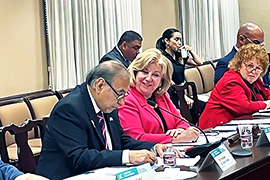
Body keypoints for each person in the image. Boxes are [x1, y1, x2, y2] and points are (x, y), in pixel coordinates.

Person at [35, 60, 169, 180]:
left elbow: (120, 140)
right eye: (120, 94)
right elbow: (79, 157)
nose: (122, 102)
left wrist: (152, 147)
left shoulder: (107, 104)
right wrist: (127, 156)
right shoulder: (69, 108)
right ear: (100, 85)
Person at [118, 48, 200, 144]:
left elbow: (182, 122)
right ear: (135, 73)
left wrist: (180, 130)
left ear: (161, 81)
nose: (148, 78)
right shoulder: (126, 99)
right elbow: (136, 138)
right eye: (144, 72)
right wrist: (173, 139)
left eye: (155, 75)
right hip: (146, 155)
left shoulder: (161, 95)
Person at [199, 44, 270, 130]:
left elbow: (265, 93)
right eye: (249, 66)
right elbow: (244, 107)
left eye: (258, 68)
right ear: (239, 65)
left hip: (238, 126)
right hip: (215, 130)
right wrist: (266, 104)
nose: (253, 71)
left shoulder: (254, 80)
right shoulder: (230, 81)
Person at [156, 28, 203, 123]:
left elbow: (199, 63)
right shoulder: (162, 57)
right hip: (171, 92)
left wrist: (190, 50)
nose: (179, 43)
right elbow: (167, 79)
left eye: (180, 40)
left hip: (182, 91)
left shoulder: (179, 55)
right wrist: (183, 96)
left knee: (202, 106)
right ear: (167, 41)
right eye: (176, 39)